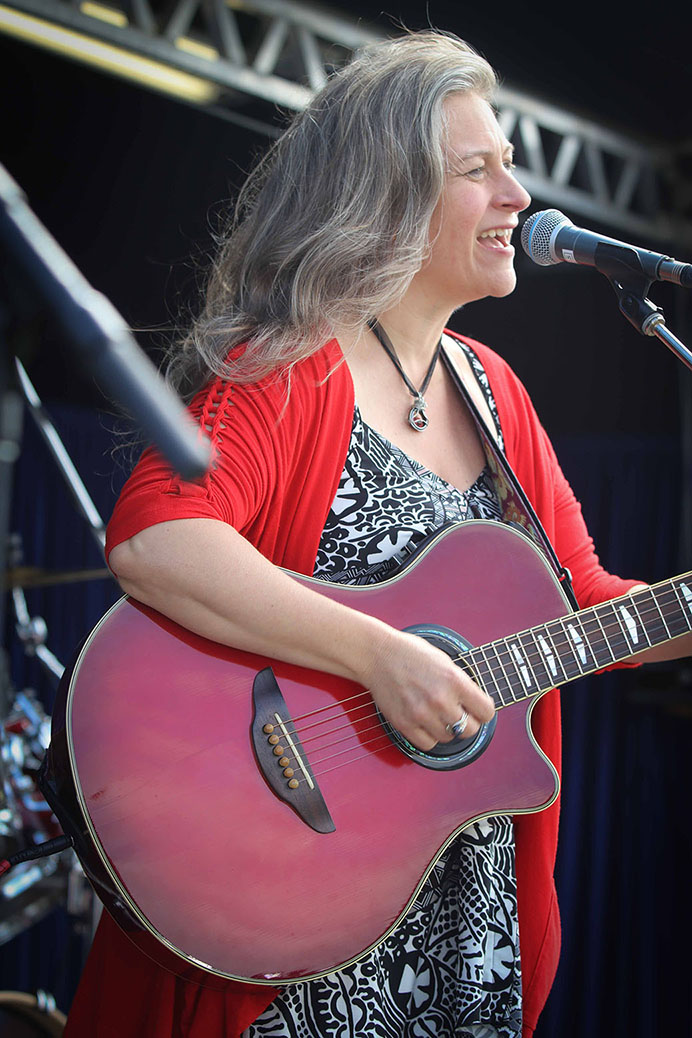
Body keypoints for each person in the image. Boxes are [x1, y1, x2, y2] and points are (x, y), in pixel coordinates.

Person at [62, 29, 691, 1038]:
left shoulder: (497, 394)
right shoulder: (290, 362)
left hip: (455, 896)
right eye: (477, 171)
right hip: (297, 879)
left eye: (511, 166)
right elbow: (158, 538)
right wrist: (380, 658)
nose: (517, 197)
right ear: (389, 191)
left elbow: (580, 602)